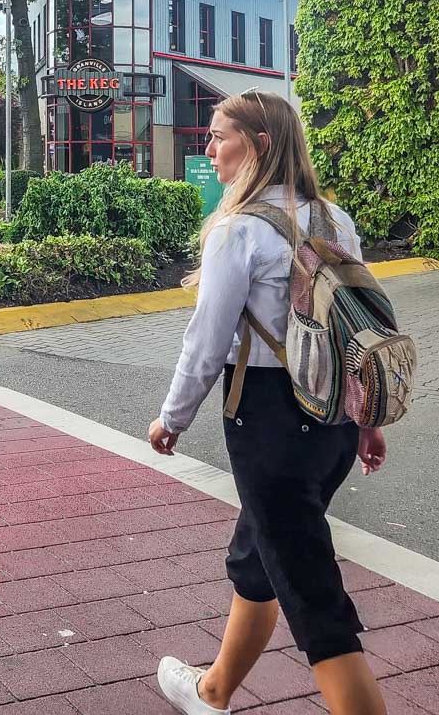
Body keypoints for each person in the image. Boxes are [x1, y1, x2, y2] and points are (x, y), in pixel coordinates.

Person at [149, 91, 388, 715]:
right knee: (259, 557)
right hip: (333, 414)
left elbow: (207, 340)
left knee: (314, 599)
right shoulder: (335, 220)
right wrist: (364, 420)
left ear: (257, 144)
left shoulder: (239, 230)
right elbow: (359, 328)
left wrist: (172, 417)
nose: (208, 148)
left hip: (269, 420)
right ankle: (213, 691)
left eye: (218, 135)